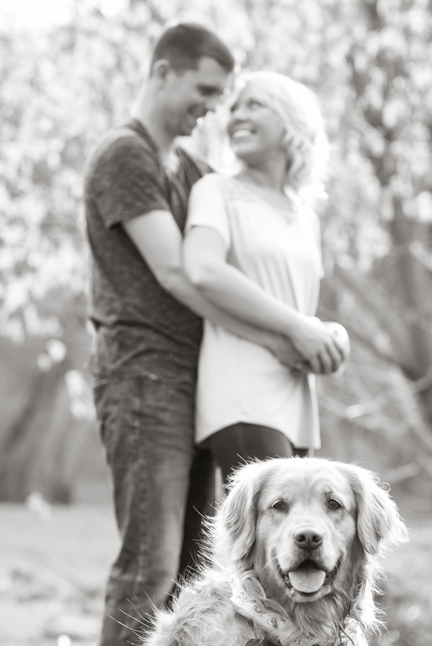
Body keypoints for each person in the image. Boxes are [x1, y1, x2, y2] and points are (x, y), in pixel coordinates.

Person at [84, 26, 341, 646]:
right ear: (163, 73)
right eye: (204, 92)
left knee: (198, 579)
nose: (213, 111)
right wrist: (285, 332)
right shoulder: (125, 156)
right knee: (150, 565)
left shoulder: (191, 173)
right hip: (143, 378)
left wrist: (284, 338)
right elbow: (179, 270)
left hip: (197, 381)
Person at [183, 71, 349, 484]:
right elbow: (203, 270)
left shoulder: (304, 215)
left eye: (254, 104)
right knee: (270, 545)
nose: (237, 115)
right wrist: (298, 328)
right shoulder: (215, 190)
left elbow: (298, 303)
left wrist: (330, 338)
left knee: (288, 544)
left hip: (295, 402)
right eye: (234, 107)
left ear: (291, 121)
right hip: (243, 396)